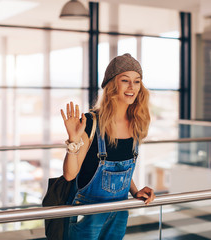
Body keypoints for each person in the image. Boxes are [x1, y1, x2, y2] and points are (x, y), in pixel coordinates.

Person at [60, 53, 155, 240]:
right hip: (88, 214)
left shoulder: (136, 123)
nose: (131, 87)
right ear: (112, 85)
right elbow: (70, 174)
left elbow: (120, 167)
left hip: (119, 212)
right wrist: (73, 140)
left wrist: (135, 192)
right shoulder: (90, 123)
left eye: (137, 82)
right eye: (125, 80)